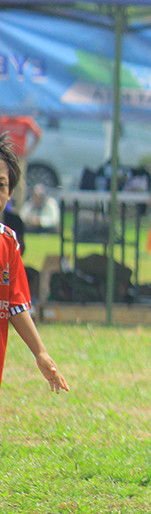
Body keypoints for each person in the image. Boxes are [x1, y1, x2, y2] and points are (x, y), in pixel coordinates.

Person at [0, 133, 69, 393]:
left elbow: (16, 305)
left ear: (11, 193)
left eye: (1, 185)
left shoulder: (8, 243)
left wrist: (40, 352)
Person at [0, 115, 42, 210]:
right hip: (3, 159)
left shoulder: (25, 121)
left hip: (19, 157)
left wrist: (29, 152)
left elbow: (38, 134)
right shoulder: (3, 120)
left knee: (19, 183)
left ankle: (18, 208)